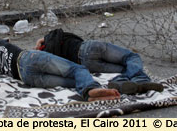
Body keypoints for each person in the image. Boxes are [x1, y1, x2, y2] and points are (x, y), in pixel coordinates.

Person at [0, 39, 120, 102]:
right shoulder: (1, 44)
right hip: (30, 58)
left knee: (72, 81)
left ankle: (90, 95)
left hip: (26, 78)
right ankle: (90, 89)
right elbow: (4, 42)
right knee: (78, 70)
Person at [35, 29, 164, 95]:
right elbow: (69, 35)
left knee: (125, 69)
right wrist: (44, 38)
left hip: (86, 64)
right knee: (131, 58)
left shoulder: (49, 57)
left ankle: (121, 83)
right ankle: (140, 79)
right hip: (89, 48)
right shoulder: (54, 37)